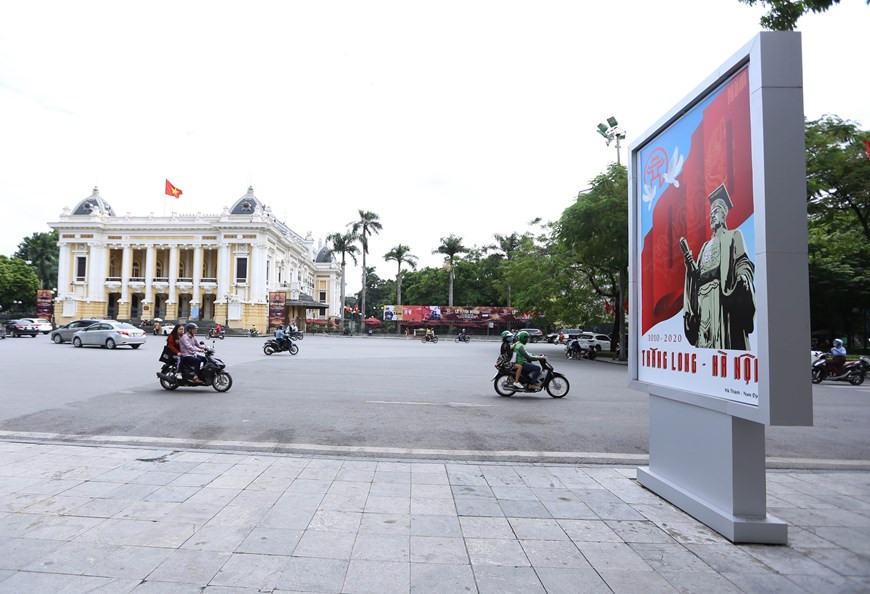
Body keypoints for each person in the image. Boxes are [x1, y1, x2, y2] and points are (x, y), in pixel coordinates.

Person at [681, 184, 756, 350]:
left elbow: (743, 262)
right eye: (710, 214)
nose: (712, 217)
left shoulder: (734, 236)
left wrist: (743, 277)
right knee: (704, 340)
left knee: (722, 341)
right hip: (703, 301)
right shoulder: (705, 246)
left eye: (716, 212)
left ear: (724, 215)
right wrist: (690, 267)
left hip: (721, 298)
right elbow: (697, 276)